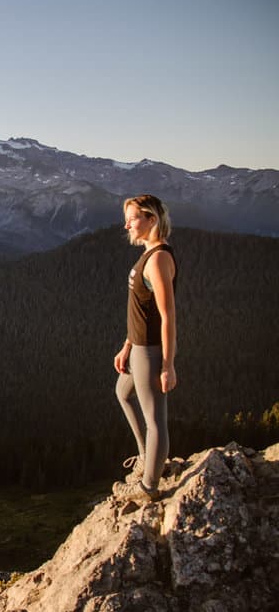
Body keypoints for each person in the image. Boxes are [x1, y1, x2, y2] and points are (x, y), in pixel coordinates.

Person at [112, 194, 177, 502]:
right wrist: (127, 345)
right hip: (137, 347)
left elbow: (167, 316)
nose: (127, 224)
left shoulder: (160, 258)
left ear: (152, 219)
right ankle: (145, 458)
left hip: (150, 351)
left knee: (155, 421)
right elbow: (141, 308)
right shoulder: (148, 254)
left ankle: (148, 486)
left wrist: (167, 365)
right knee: (123, 392)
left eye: (133, 218)